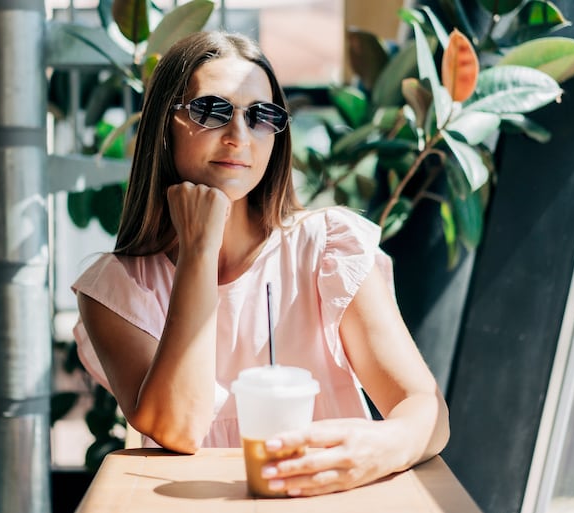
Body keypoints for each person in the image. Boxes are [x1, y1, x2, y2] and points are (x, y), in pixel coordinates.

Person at [71, 30, 449, 497]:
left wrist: (377, 448)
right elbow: (179, 427)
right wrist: (198, 252)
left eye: (261, 116)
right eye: (211, 111)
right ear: (162, 128)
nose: (239, 136)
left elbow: (425, 410)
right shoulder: (116, 289)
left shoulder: (329, 248)